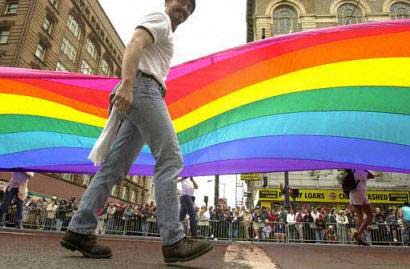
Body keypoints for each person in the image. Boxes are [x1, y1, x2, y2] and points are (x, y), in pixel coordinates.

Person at [60, 0, 213, 263]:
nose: (185, 9)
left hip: (142, 91)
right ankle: (173, 241)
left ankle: (79, 230)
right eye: (181, 1)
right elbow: (134, 43)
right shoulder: (160, 18)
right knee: (170, 160)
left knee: (113, 168)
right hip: (143, 90)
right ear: (167, 2)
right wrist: (128, 85)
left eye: (190, 7)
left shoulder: (164, 30)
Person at [348, 169, 381, 246]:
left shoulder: (354, 170)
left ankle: (359, 238)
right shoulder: (362, 171)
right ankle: (358, 234)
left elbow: (369, 176)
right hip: (360, 194)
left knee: (360, 215)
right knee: (370, 215)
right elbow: (371, 176)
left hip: (352, 194)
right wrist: (375, 175)